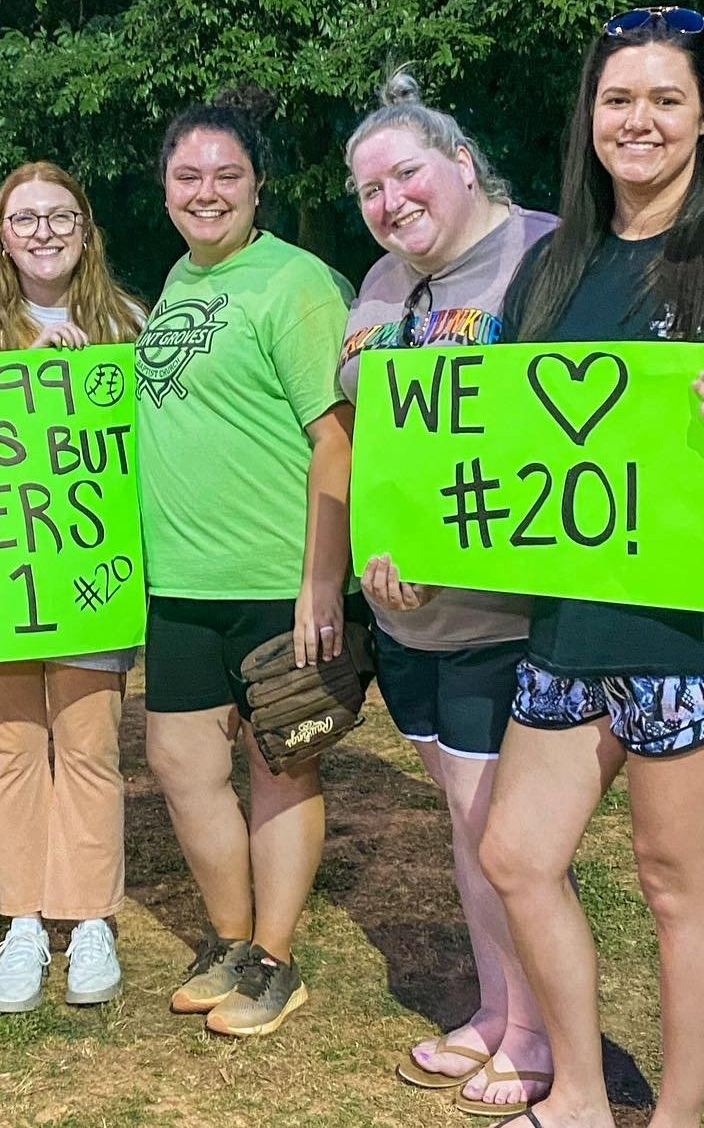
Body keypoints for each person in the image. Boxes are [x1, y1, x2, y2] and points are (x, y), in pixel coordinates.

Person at [478, 6, 704, 1128]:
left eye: (665, 98)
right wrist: (414, 540)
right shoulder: (548, 266)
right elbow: (492, 449)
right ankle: (573, 1093)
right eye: (619, 99)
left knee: (676, 886)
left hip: (681, 632)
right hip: (566, 624)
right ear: (589, 118)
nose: (640, 121)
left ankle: (679, 1109)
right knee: (516, 853)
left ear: (702, 117)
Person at [340, 74, 557, 1114]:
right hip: (404, 612)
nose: (386, 199)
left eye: (403, 171)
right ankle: (493, 1004)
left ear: (462, 160)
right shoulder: (379, 284)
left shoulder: (549, 254)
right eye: (366, 187)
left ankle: (534, 1032)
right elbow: (369, 436)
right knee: (462, 823)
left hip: (505, 614)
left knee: (502, 834)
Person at [137, 91, 352, 1037]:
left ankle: (275, 958)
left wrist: (319, 581)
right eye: (189, 176)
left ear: (258, 186)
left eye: (228, 174)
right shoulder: (174, 288)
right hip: (180, 581)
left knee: (280, 768)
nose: (208, 191)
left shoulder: (296, 282)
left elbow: (336, 437)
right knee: (181, 763)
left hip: (276, 577)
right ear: (165, 189)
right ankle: (230, 941)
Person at [0, 161, 144, 1014]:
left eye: (61, 217)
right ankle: (22, 918)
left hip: (88, 572)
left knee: (89, 747)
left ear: (86, 229)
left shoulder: (130, 317)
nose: (44, 232)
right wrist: (18, 370)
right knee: (11, 749)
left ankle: (89, 915)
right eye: (26, 219)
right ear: (2, 232)